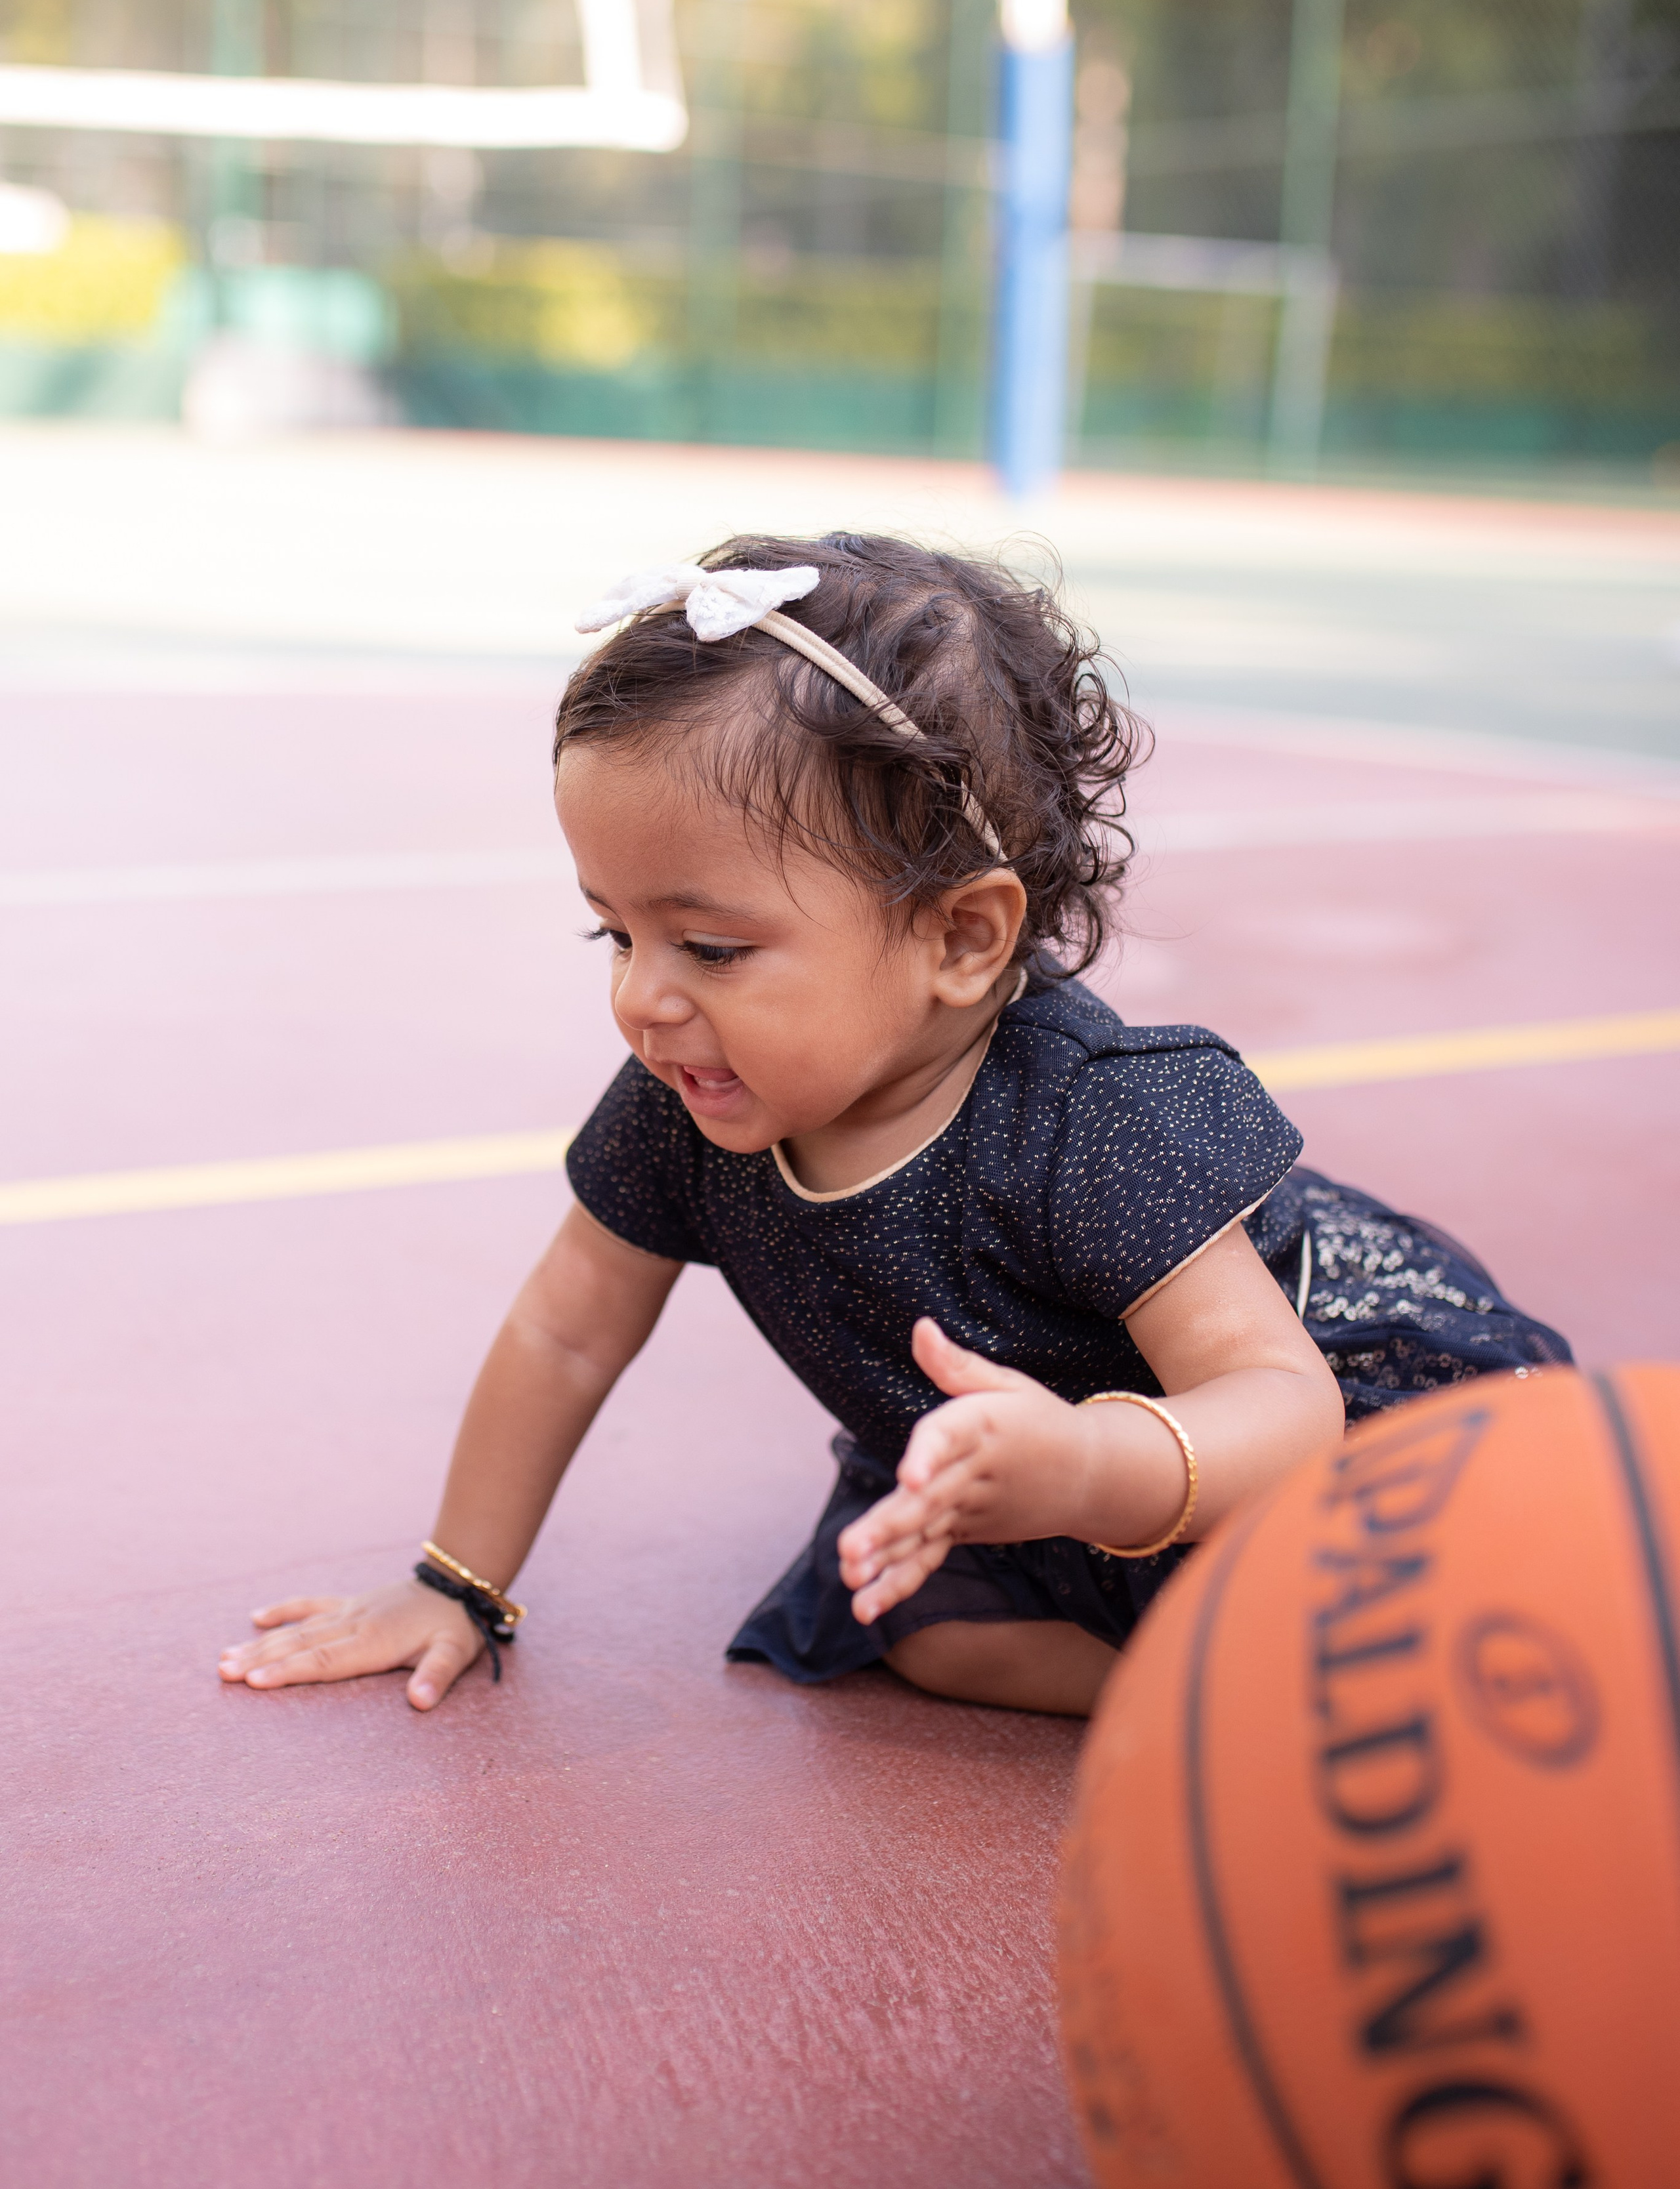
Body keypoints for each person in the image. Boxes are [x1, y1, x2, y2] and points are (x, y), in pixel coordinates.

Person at [219, 535, 1569, 1720]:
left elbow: (1282, 1410)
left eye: (706, 944)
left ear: (959, 937)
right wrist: (458, 1584)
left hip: (1245, 1456)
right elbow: (567, 1329)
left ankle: (1251, 1670)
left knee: (1370, 1602)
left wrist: (1088, 1464)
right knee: (918, 1631)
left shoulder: (1092, 1116)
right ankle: (1184, 1697)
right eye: (612, 932)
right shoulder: (691, 1103)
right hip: (1012, 1478)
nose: (641, 996)